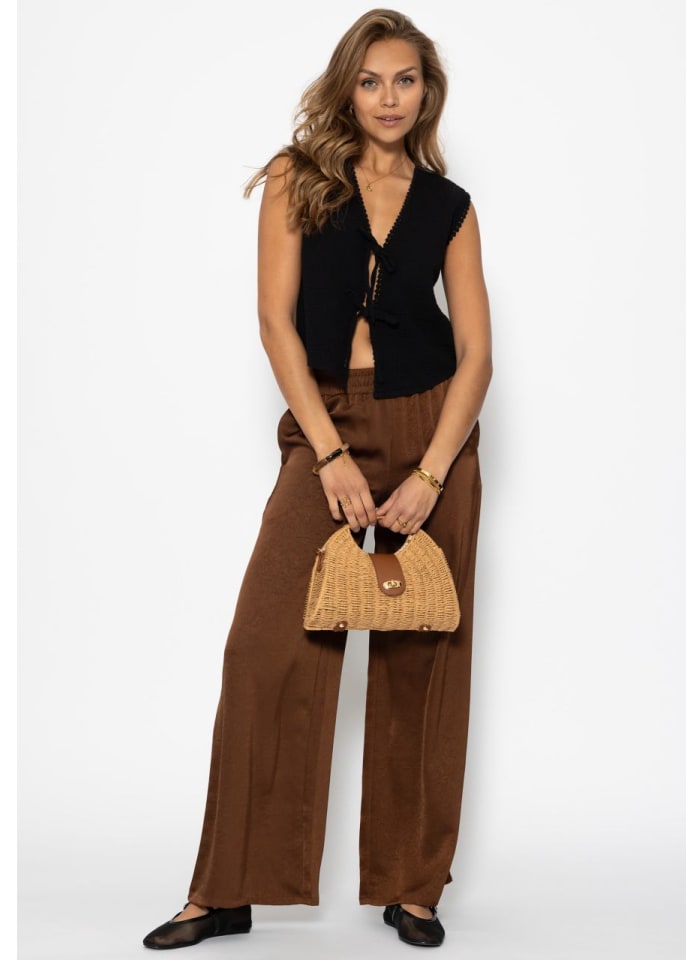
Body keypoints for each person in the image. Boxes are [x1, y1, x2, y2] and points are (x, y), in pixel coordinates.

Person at [142, 7, 492, 951]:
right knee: (265, 649)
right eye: (371, 80)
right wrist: (329, 453)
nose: (388, 98)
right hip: (327, 423)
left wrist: (432, 473)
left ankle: (413, 888)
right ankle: (225, 889)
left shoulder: (449, 205)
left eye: (406, 79)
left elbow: (477, 357)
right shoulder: (297, 178)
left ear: (428, 92)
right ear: (348, 87)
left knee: (426, 661)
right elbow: (276, 323)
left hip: (434, 432)